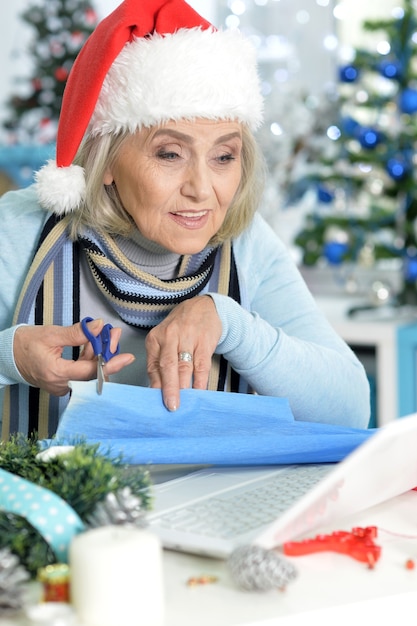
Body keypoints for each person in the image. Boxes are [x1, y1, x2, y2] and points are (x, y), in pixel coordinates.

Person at [0, 0, 370, 441]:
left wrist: (230, 324)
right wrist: (11, 356)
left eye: (223, 157)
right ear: (108, 159)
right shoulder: (19, 229)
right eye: (169, 154)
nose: (201, 188)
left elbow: (350, 410)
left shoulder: (248, 244)